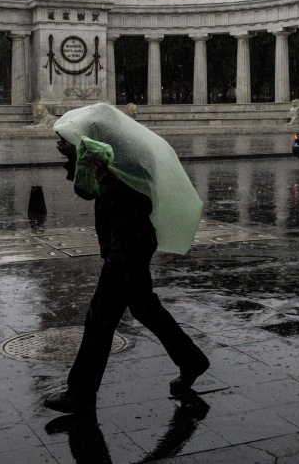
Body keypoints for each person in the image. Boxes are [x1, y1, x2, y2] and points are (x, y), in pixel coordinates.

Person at [43, 138, 209, 414]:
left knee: (99, 320)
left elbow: (146, 199)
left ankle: (81, 393)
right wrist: (75, 159)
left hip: (129, 247)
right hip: (118, 244)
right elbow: (88, 191)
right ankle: (191, 360)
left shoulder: (139, 157)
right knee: (145, 308)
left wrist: (115, 180)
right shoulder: (108, 152)